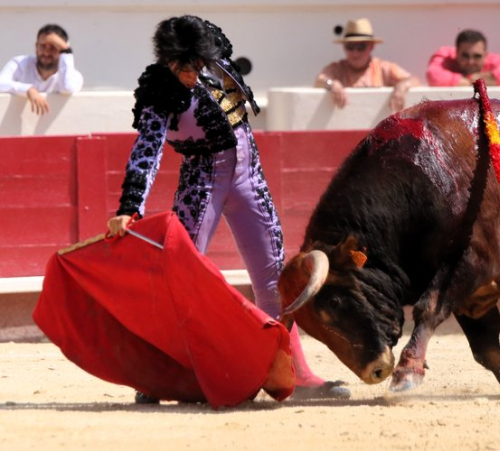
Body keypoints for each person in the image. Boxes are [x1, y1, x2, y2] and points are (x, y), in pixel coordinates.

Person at [106, 15, 349, 404]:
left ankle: (295, 373)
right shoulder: (158, 91)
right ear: (167, 58)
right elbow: (146, 151)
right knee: (179, 276)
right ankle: (164, 375)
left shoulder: (214, 61)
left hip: (250, 178)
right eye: (182, 66)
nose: (190, 73)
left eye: (196, 64)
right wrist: (130, 204)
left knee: (274, 279)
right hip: (202, 183)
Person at [314, 18, 419, 112]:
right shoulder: (337, 68)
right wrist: (332, 84)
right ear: (344, 47)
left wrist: (402, 86)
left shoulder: (383, 67)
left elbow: (414, 80)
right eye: (350, 47)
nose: (355, 53)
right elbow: (319, 80)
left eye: (361, 47)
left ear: (371, 47)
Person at [0, 24, 84, 115]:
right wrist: (28, 89)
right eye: (43, 46)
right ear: (36, 46)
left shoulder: (74, 76)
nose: (46, 53)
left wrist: (66, 51)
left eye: (53, 47)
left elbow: (67, 88)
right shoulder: (20, 63)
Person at [426, 29, 500, 87]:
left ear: (485, 55)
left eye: (477, 56)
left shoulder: (494, 59)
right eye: (465, 55)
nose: (470, 62)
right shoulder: (445, 55)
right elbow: (433, 75)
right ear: (456, 53)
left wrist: (466, 81)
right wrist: (478, 81)